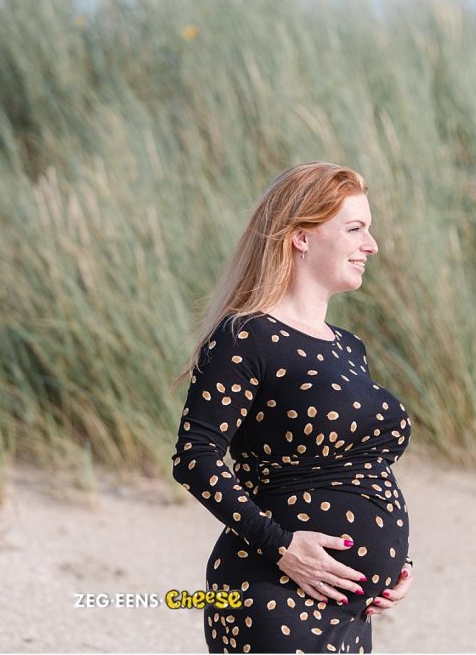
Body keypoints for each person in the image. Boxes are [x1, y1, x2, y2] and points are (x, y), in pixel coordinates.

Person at [169, 162, 415, 653]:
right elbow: (194, 457)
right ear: (301, 236)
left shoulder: (349, 347)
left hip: (348, 607)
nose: (372, 245)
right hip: (273, 592)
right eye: (355, 229)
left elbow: (361, 471)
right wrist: (281, 547)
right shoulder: (246, 335)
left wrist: (399, 563)